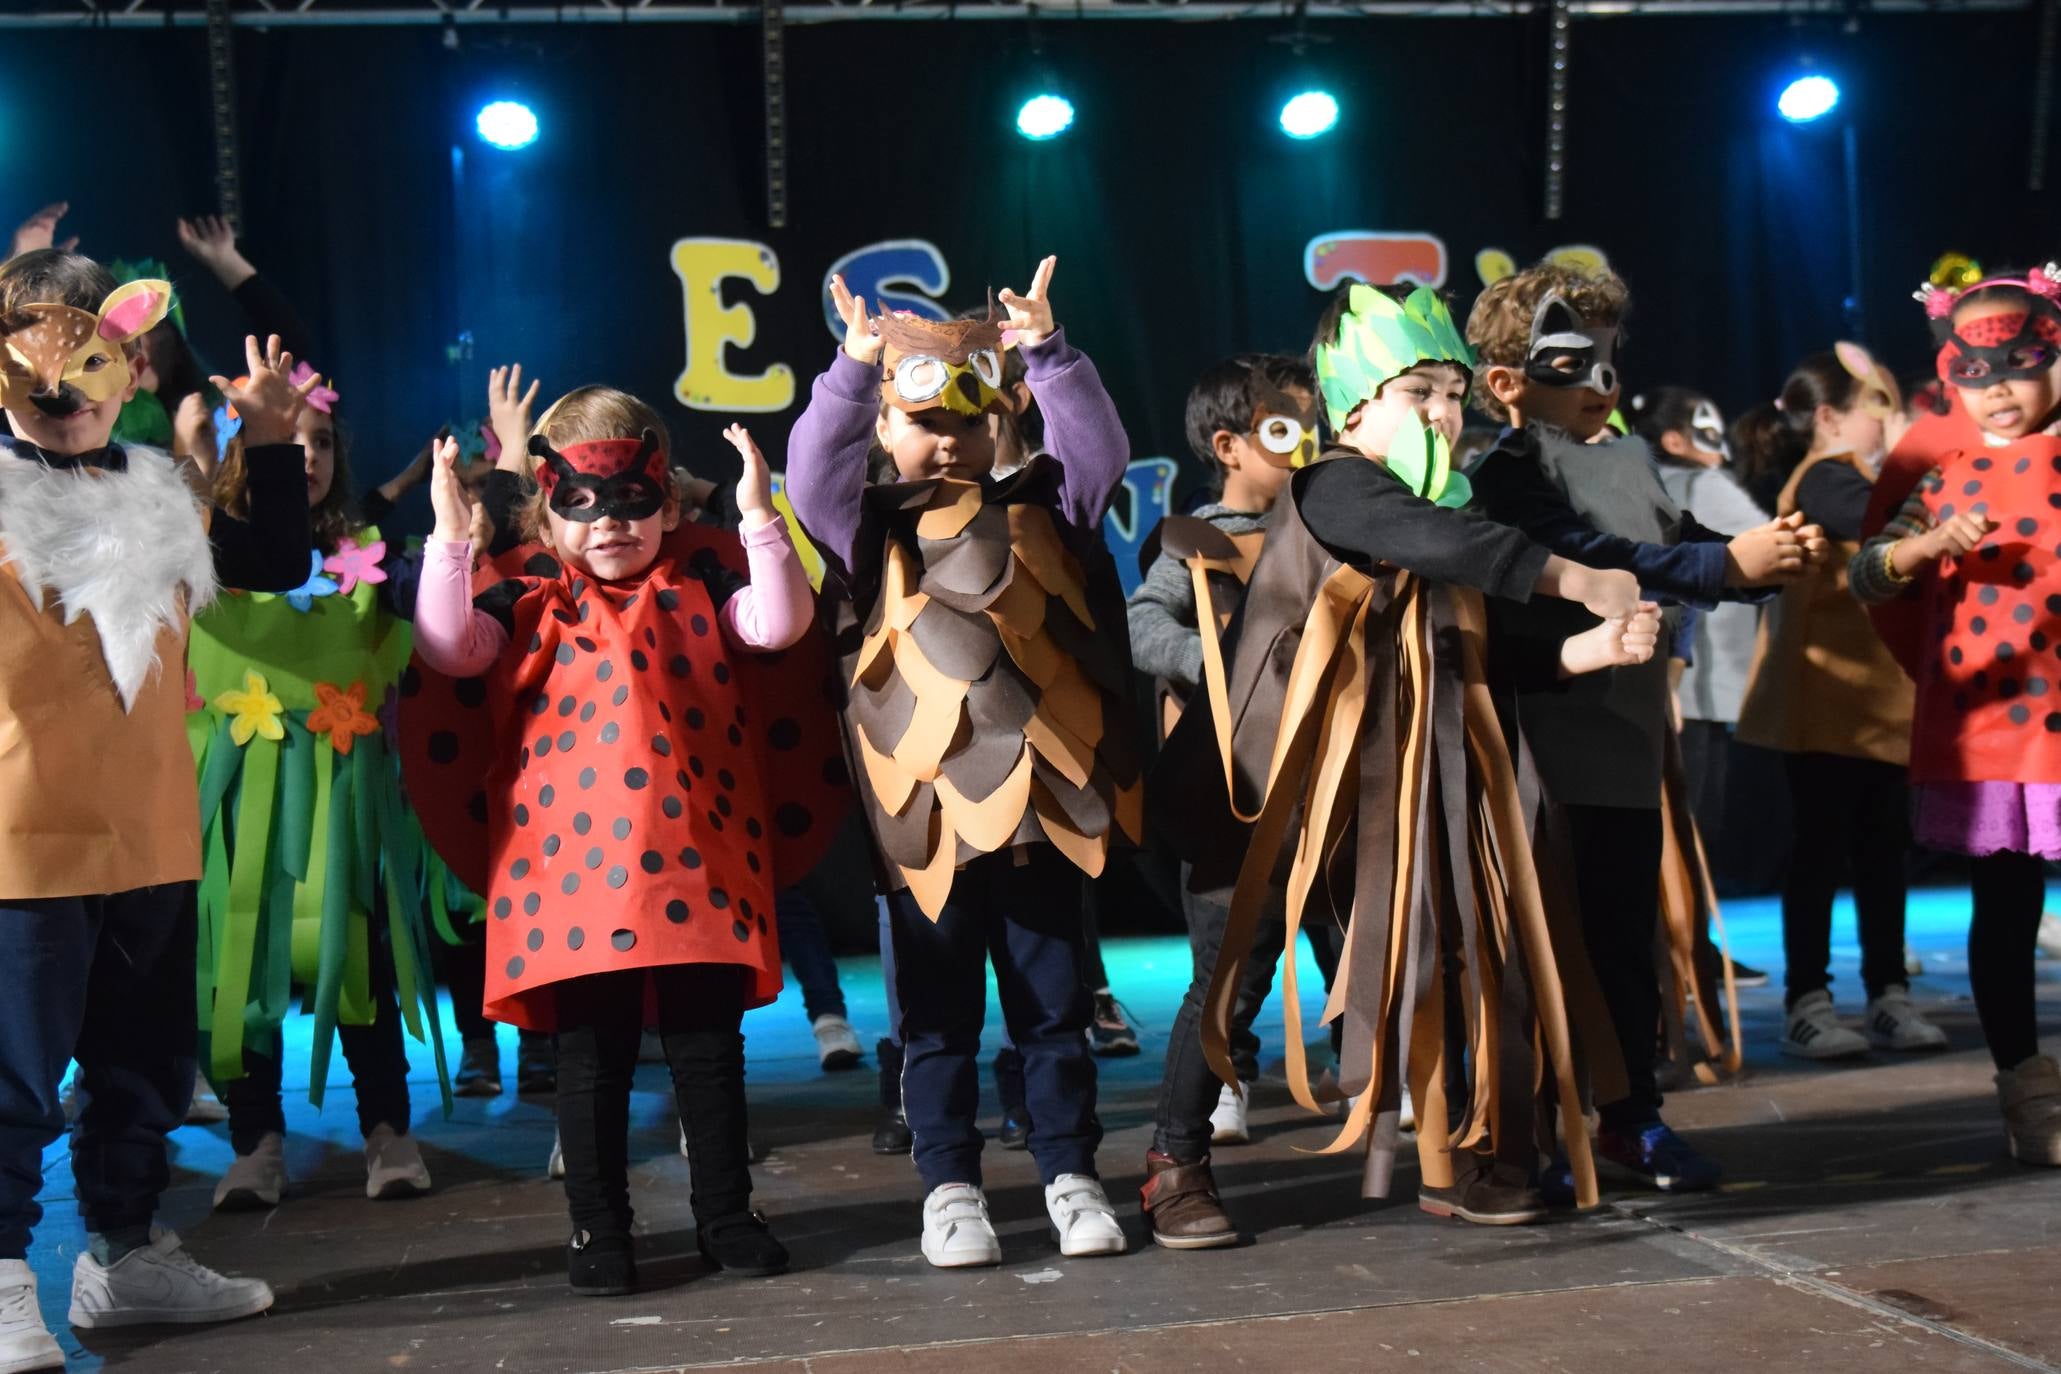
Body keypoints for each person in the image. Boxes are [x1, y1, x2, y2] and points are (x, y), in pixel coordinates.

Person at [1142, 282, 1658, 1248]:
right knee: (1233, 975)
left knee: (1443, 958)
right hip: (1270, 795)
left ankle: (1457, 1154)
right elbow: (1445, 541)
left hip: (1385, 804)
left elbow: (1486, 646)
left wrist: (1590, 648)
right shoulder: (1337, 487)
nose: (1442, 414)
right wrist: (1579, 577)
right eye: (1416, 392)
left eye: (1452, 395)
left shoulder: (1437, 513)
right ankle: (1175, 1162)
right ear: (1353, 406)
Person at [405, 386, 819, 1295]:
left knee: (707, 1049)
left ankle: (724, 1214)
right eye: (581, 505)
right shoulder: (527, 598)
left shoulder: (706, 582)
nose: (609, 524)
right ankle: (599, 1230)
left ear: (668, 502)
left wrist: (760, 520)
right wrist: (451, 535)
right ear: (548, 510)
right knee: (592, 1057)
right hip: (569, 881)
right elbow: (446, 647)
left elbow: (781, 623)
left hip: (698, 863)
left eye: (633, 501)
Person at [787, 260, 1134, 1267]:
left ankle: (1071, 1174)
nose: (948, 440)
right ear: (888, 431)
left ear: (1000, 422)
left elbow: (1098, 454)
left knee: (1054, 1013)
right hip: (924, 826)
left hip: (1040, 814)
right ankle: (949, 1186)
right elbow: (812, 474)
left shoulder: (1046, 509)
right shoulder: (866, 533)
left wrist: (1050, 354)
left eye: (969, 423)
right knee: (933, 1021)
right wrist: (852, 372)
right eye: (924, 422)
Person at [0, 250, 307, 1370]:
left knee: (144, 1070)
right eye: (35, 365)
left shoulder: (158, 487)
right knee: (13, 1079)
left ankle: (124, 1259)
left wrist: (269, 441)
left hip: (150, 835)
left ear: (130, 365)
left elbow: (273, 560)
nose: (65, 396)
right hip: (18, 842)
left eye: (92, 363)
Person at [1465, 261, 1826, 1194]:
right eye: (1571, 364)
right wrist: (1716, 565)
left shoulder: (1623, 459)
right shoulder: (1495, 471)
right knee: (1541, 943)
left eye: (1609, 362)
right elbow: (1581, 554)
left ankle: (1629, 1116)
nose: (1601, 385)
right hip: (1536, 741)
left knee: (1621, 933)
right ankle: (1531, 1130)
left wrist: (1757, 562)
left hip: (1621, 739)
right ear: (1507, 381)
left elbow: (1668, 546)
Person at [1850, 264, 2061, 1163]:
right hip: (1992, 721)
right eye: (1973, 372)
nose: (1997, 389)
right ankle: (2028, 1091)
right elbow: (1865, 571)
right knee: (2006, 905)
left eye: (2018, 364)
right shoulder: (1936, 464)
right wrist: (1925, 545)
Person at [1128, 352, 1342, 1146]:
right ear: (1228, 446)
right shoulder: (1196, 539)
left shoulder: (1327, 526)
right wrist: (1212, 666)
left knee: (1346, 929)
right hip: (1233, 782)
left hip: (1326, 771)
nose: (1304, 444)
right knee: (1232, 950)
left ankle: (1364, 1065)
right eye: (1283, 428)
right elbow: (1143, 622)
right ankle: (1225, 1074)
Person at [1733, 346, 1944, 1058]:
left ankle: (1888, 995)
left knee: (1882, 853)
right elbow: (1883, 529)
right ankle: (1808, 1001)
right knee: (1820, 855)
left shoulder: (1861, 476)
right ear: (1828, 417)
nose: (1891, 421)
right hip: (1824, 706)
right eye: (1877, 405)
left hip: (1877, 708)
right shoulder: (1826, 478)